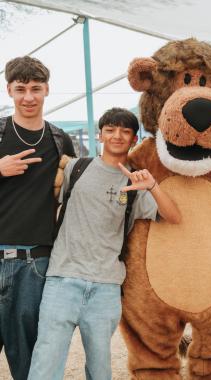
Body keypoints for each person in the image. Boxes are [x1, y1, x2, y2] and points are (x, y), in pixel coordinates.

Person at [27, 107, 181, 380]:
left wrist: (152, 186)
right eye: (110, 130)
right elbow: (45, 202)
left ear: (134, 138)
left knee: (100, 369)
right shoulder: (77, 168)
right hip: (62, 278)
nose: (117, 136)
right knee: (46, 361)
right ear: (100, 135)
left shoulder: (136, 181)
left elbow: (174, 217)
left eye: (125, 131)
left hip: (106, 286)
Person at [0, 56, 75, 380]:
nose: (28, 96)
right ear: (9, 90)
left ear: (47, 90)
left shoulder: (60, 140)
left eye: (35, 88)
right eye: (20, 89)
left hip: (36, 262)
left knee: (29, 357)